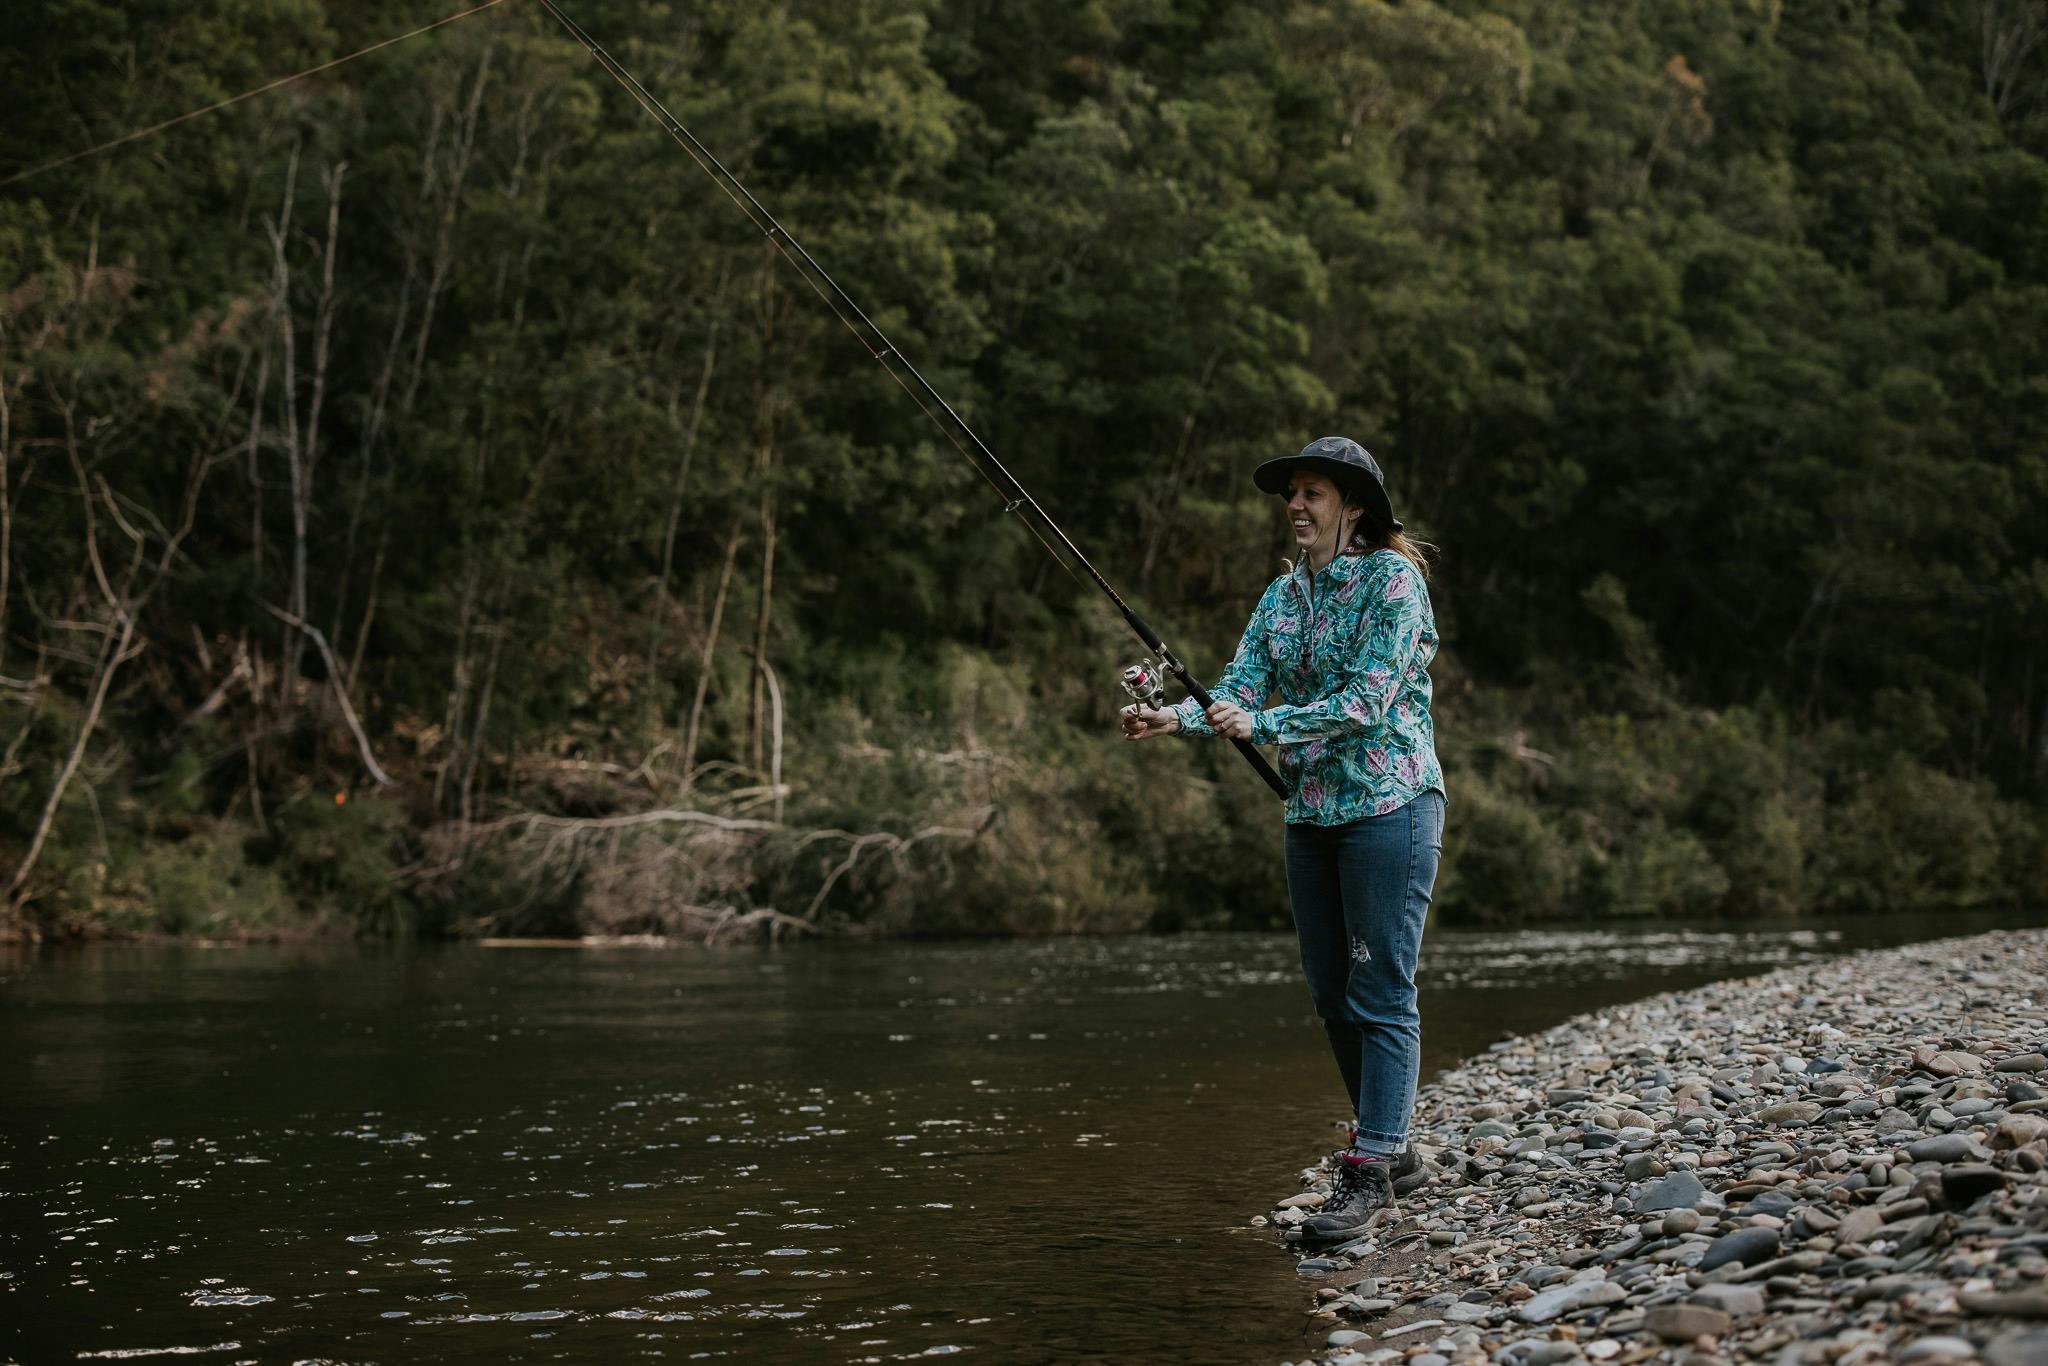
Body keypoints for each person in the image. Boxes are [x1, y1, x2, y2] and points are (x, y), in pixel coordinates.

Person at [1121, 435, 1446, 1244]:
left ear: (1354, 507)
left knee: (1380, 988)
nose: (1295, 506)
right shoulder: (1282, 596)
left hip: (1390, 806)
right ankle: (1392, 1146)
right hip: (1310, 813)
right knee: (1332, 992)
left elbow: (1366, 701)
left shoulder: (1392, 582)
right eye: (1291, 493)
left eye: (1312, 493)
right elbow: (1238, 688)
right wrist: (1174, 718)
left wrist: (1262, 725)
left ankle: (1370, 1169)